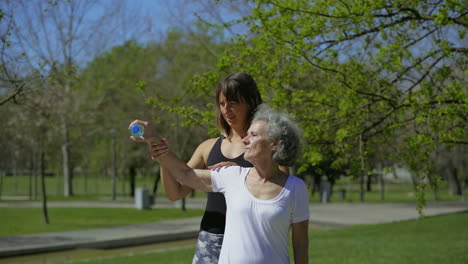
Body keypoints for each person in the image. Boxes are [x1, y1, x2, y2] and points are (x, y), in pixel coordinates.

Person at [129, 105, 309, 264]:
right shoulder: (232, 176)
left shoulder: (295, 188)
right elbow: (185, 175)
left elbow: (300, 243)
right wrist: (156, 142)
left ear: (274, 144)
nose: (245, 140)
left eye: (253, 135)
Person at [156, 72, 269, 263]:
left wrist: (238, 174)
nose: (226, 110)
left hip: (250, 241)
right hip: (210, 242)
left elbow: (281, 192)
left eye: (233, 102)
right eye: (222, 103)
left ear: (251, 101)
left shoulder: (267, 146)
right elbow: (175, 192)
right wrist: (162, 158)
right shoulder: (207, 147)